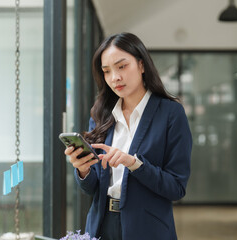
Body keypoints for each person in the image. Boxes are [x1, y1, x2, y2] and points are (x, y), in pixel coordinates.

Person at [64, 32, 192, 240]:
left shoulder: (171, 114)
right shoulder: (101, 114)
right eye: (107, 71)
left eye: (122, 66)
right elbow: (92, 188)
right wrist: (83, 169)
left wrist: (134, 164)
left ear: (142, 65)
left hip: (148, 228)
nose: (115, 78)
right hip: (101, 225)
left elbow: (176, 188)